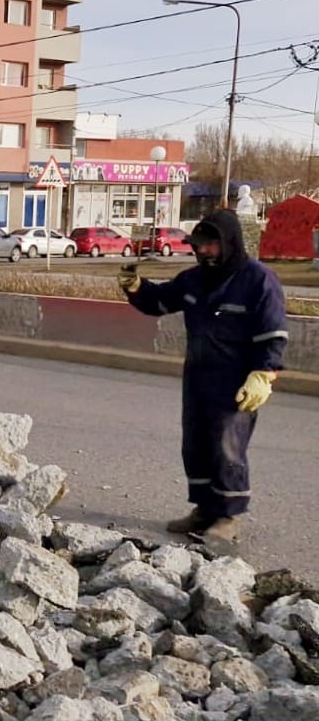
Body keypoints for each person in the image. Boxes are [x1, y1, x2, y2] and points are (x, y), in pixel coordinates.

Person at [118, 208, 288, 543]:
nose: (203, 252)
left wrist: (264, 373)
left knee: (227, 445)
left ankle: (227, 515)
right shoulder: (194, 279)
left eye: (210, 245)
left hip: (237, 380)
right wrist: (136, 286)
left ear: (229, 243)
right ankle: (204, 509)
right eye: (198, 246)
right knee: (195, 444)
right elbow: (161, 301)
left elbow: (273, 331)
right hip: (198, 376)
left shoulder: (257, 280)